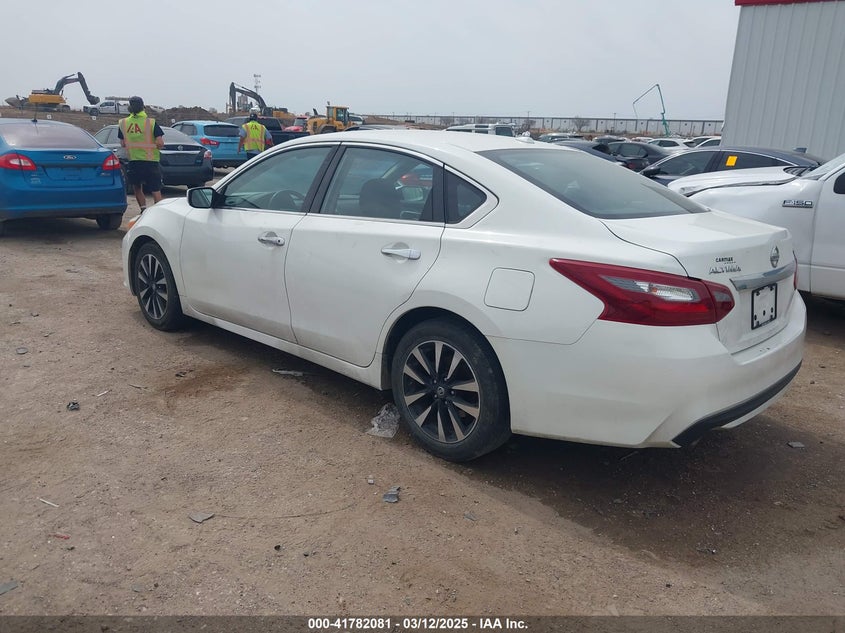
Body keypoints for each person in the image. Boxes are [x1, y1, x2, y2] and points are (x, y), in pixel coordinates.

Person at [118, 96, 165, 215]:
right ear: (143, 107)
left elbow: (123, 143)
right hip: (151, 161)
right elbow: (160, 143)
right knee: (155, 189)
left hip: (134, 161)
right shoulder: (151, 122)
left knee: (137, 187)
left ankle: (143, 210)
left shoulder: (123, 123)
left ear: (129, 108)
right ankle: (158, 213)